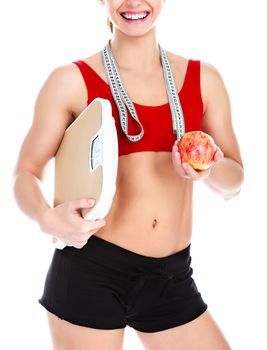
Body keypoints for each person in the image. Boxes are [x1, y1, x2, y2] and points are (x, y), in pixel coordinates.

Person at [13, 0, 244, 349]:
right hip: (91, 271)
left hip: (172, 278)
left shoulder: (204, 79)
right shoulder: (70, 81)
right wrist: (47, 218)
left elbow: (235, 180)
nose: (134, 3)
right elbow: (25, 172)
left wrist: (208, 169)